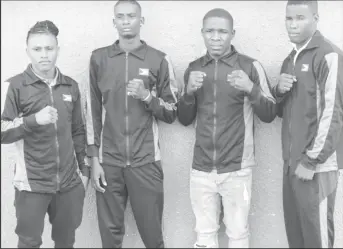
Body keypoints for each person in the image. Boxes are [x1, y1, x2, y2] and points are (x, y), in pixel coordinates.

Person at [177, 8, 277, 248]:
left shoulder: (250, 67)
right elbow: (184, 119)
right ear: (202, 33)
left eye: (222, 31)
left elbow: (270, 114)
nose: (216, 37)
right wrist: (189, 93)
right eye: (210, 31)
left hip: (237, 168)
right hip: (201, 169)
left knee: (238, 234)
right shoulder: (193, 68)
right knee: (204, 235)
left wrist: (250, 88)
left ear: (232, 34)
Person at [85, 0, 178, 248]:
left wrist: (147, 97)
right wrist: (94, 160)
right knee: (110, 238)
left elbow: (172, 112)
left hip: (145, 161)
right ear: (113, 21)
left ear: (141, 20)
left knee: (153, 237)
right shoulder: (98, 59)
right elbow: (92, 113)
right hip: (108, 163)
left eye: (131, 16)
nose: (126, 21)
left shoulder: (159, 60)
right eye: (120, 16)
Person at [1, 20, 89, 248]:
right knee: (29, 242)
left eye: (49, 49)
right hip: (32, 185)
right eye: (37, 49)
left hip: (69, 184)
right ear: (27, 51)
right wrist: (32, 120)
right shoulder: (14, 86)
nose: (44, 55)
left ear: (58, 50)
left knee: (66, 241)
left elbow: (79, 131)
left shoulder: (71, 86)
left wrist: (84, 172)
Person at [271, 1, 343, 248]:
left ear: (316, 18)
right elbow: (282, 112)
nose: (293, 24)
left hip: (316, 167)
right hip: (291, 165)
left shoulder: (329, 54)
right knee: (296, 237)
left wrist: (312, 160)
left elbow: (334, 114)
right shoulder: (289, 60)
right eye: (289, 19)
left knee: (317, 239)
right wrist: (278, 90)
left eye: (300, 18)